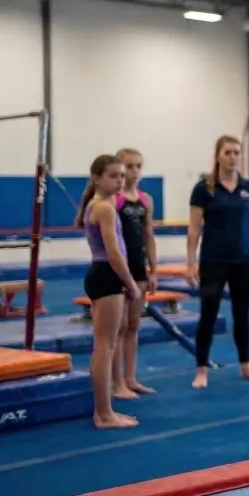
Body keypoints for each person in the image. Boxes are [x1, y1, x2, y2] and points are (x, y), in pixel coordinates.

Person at [186, 135, 249, 389]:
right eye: (228, 152)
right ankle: (201, 369)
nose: (233, 157)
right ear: (218, 155)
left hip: (243, 259)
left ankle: (246, 365)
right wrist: (190, 262)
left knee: (242, 315)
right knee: (208, 314)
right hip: (213, 260)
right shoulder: (204, 189)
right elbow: (194, 228)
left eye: (236, 152)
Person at [75, 154, 141, 429]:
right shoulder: (104, 208)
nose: (119, 181)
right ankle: (104, 414)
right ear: (96, 178)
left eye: (122, 177)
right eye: (113, 176)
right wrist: (132, 284)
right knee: (105, 346)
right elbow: (114, 254)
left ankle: (105, 411)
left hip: (101, 275)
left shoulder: (100, 204)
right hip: (107, 275)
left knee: (104, 345)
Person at [111, 148, 158, 399]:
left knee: (132, 325)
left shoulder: (145, 199)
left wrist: (153, 269)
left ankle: (130, 378)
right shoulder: (114, 199)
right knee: (117, 328)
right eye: (129, 166)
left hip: (138, 268)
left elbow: (149, 235)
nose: (135, 171)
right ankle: (116, 381)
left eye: (139, 166)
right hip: (118, 268)